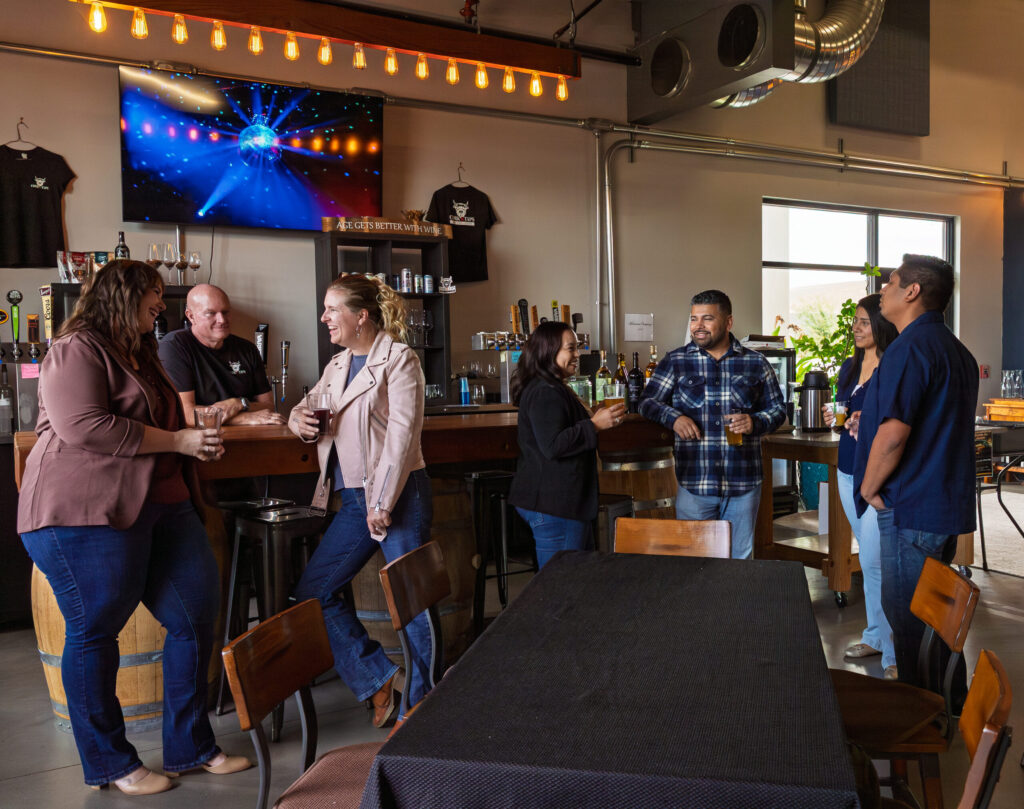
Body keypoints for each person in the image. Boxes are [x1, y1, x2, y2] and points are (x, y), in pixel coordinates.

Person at [17, 260, 250, 795]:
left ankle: (191, 747)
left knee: (194, 617)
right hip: (82, 512)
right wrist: (179, 442)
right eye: (153, 293)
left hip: (160, 505)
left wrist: (197, 435)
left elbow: (165, 420)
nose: (160, 303)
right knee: (95, 632)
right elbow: (84, 426)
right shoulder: (76, 347)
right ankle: (112, 763)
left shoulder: (142, 350)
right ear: (123, 295)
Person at [288, 274, 431, 726]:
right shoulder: (338, 364)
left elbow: (402, 441)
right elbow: (306, 404)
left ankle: (422, 704)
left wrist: (384, 502)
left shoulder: (400, 361)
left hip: (400, 492)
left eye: (333, 309)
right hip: (354, 498)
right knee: (315, 590)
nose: (325, 317)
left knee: (411, 601)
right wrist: (298, 421)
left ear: (361, 316)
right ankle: (375, 677)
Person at [854, 255, 978, 692]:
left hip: (912, 506)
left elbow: (893, 434)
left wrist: (869, 487)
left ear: (912, 292)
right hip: (940, 501)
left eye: (890, 283)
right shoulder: (955, 349)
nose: (883, 290)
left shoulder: (910, 348)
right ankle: (952, 702)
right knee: (933, 612)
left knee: (907, 613)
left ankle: (922, 715)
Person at [639, 290, 786, 559]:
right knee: (694, 565)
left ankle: (734, 604)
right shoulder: (676, 362)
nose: (698, 326)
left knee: (740, 562)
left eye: (707, 318)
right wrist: (675, 418)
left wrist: (754, 422)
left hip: (743, 483)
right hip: (695, 484)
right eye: (694, 319)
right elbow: (647, 402)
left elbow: (778, 410)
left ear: (728, 322)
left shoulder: (756, 363)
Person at [507, 322, 625, 567]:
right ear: (549, 351)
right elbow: (553, 445)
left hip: (560, 503)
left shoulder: (550, 386)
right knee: (560, 588)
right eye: (570, 348)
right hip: (556, 506)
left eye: (577, 348)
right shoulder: (545, 391)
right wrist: (594, 425)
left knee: (574, 583)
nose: (577, 355)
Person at [824, 294, 899, 679]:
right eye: (855, 321)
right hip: (848, 469)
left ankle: (892, 654)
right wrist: (836, 418)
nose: (855, 327)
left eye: (864, 322)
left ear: (881, 326)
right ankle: (874, 635)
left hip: (876, 476)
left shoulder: (894, 367)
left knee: (873, 561)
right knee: (870, 561)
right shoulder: (850, 368)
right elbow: (844, 419)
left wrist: (861, 418)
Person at [158, 284, 284, 426]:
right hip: (201, 441)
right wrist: (244, 418)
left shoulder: (247, 349)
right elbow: (186, 414)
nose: (222, 320)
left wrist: (239, 403)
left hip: (249, 437)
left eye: (225, 312)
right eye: (210, 313)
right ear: (191, 316)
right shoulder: (174, 346)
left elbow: (268, 406)